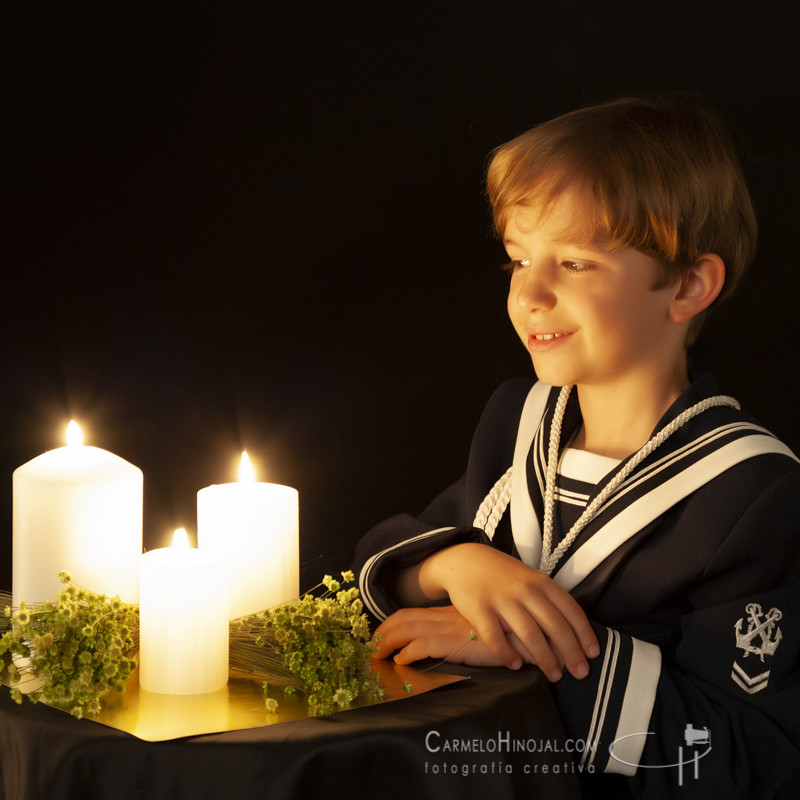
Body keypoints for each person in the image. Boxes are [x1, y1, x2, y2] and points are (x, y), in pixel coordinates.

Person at [351, 95, 800, 799]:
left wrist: (525, 653)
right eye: (518, 261)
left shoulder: (752, 492)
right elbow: (388, 555)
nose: (530, 294)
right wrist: (458, 564)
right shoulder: (518, 420)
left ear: (687, 286)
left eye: (576, 264)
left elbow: (747, 758)